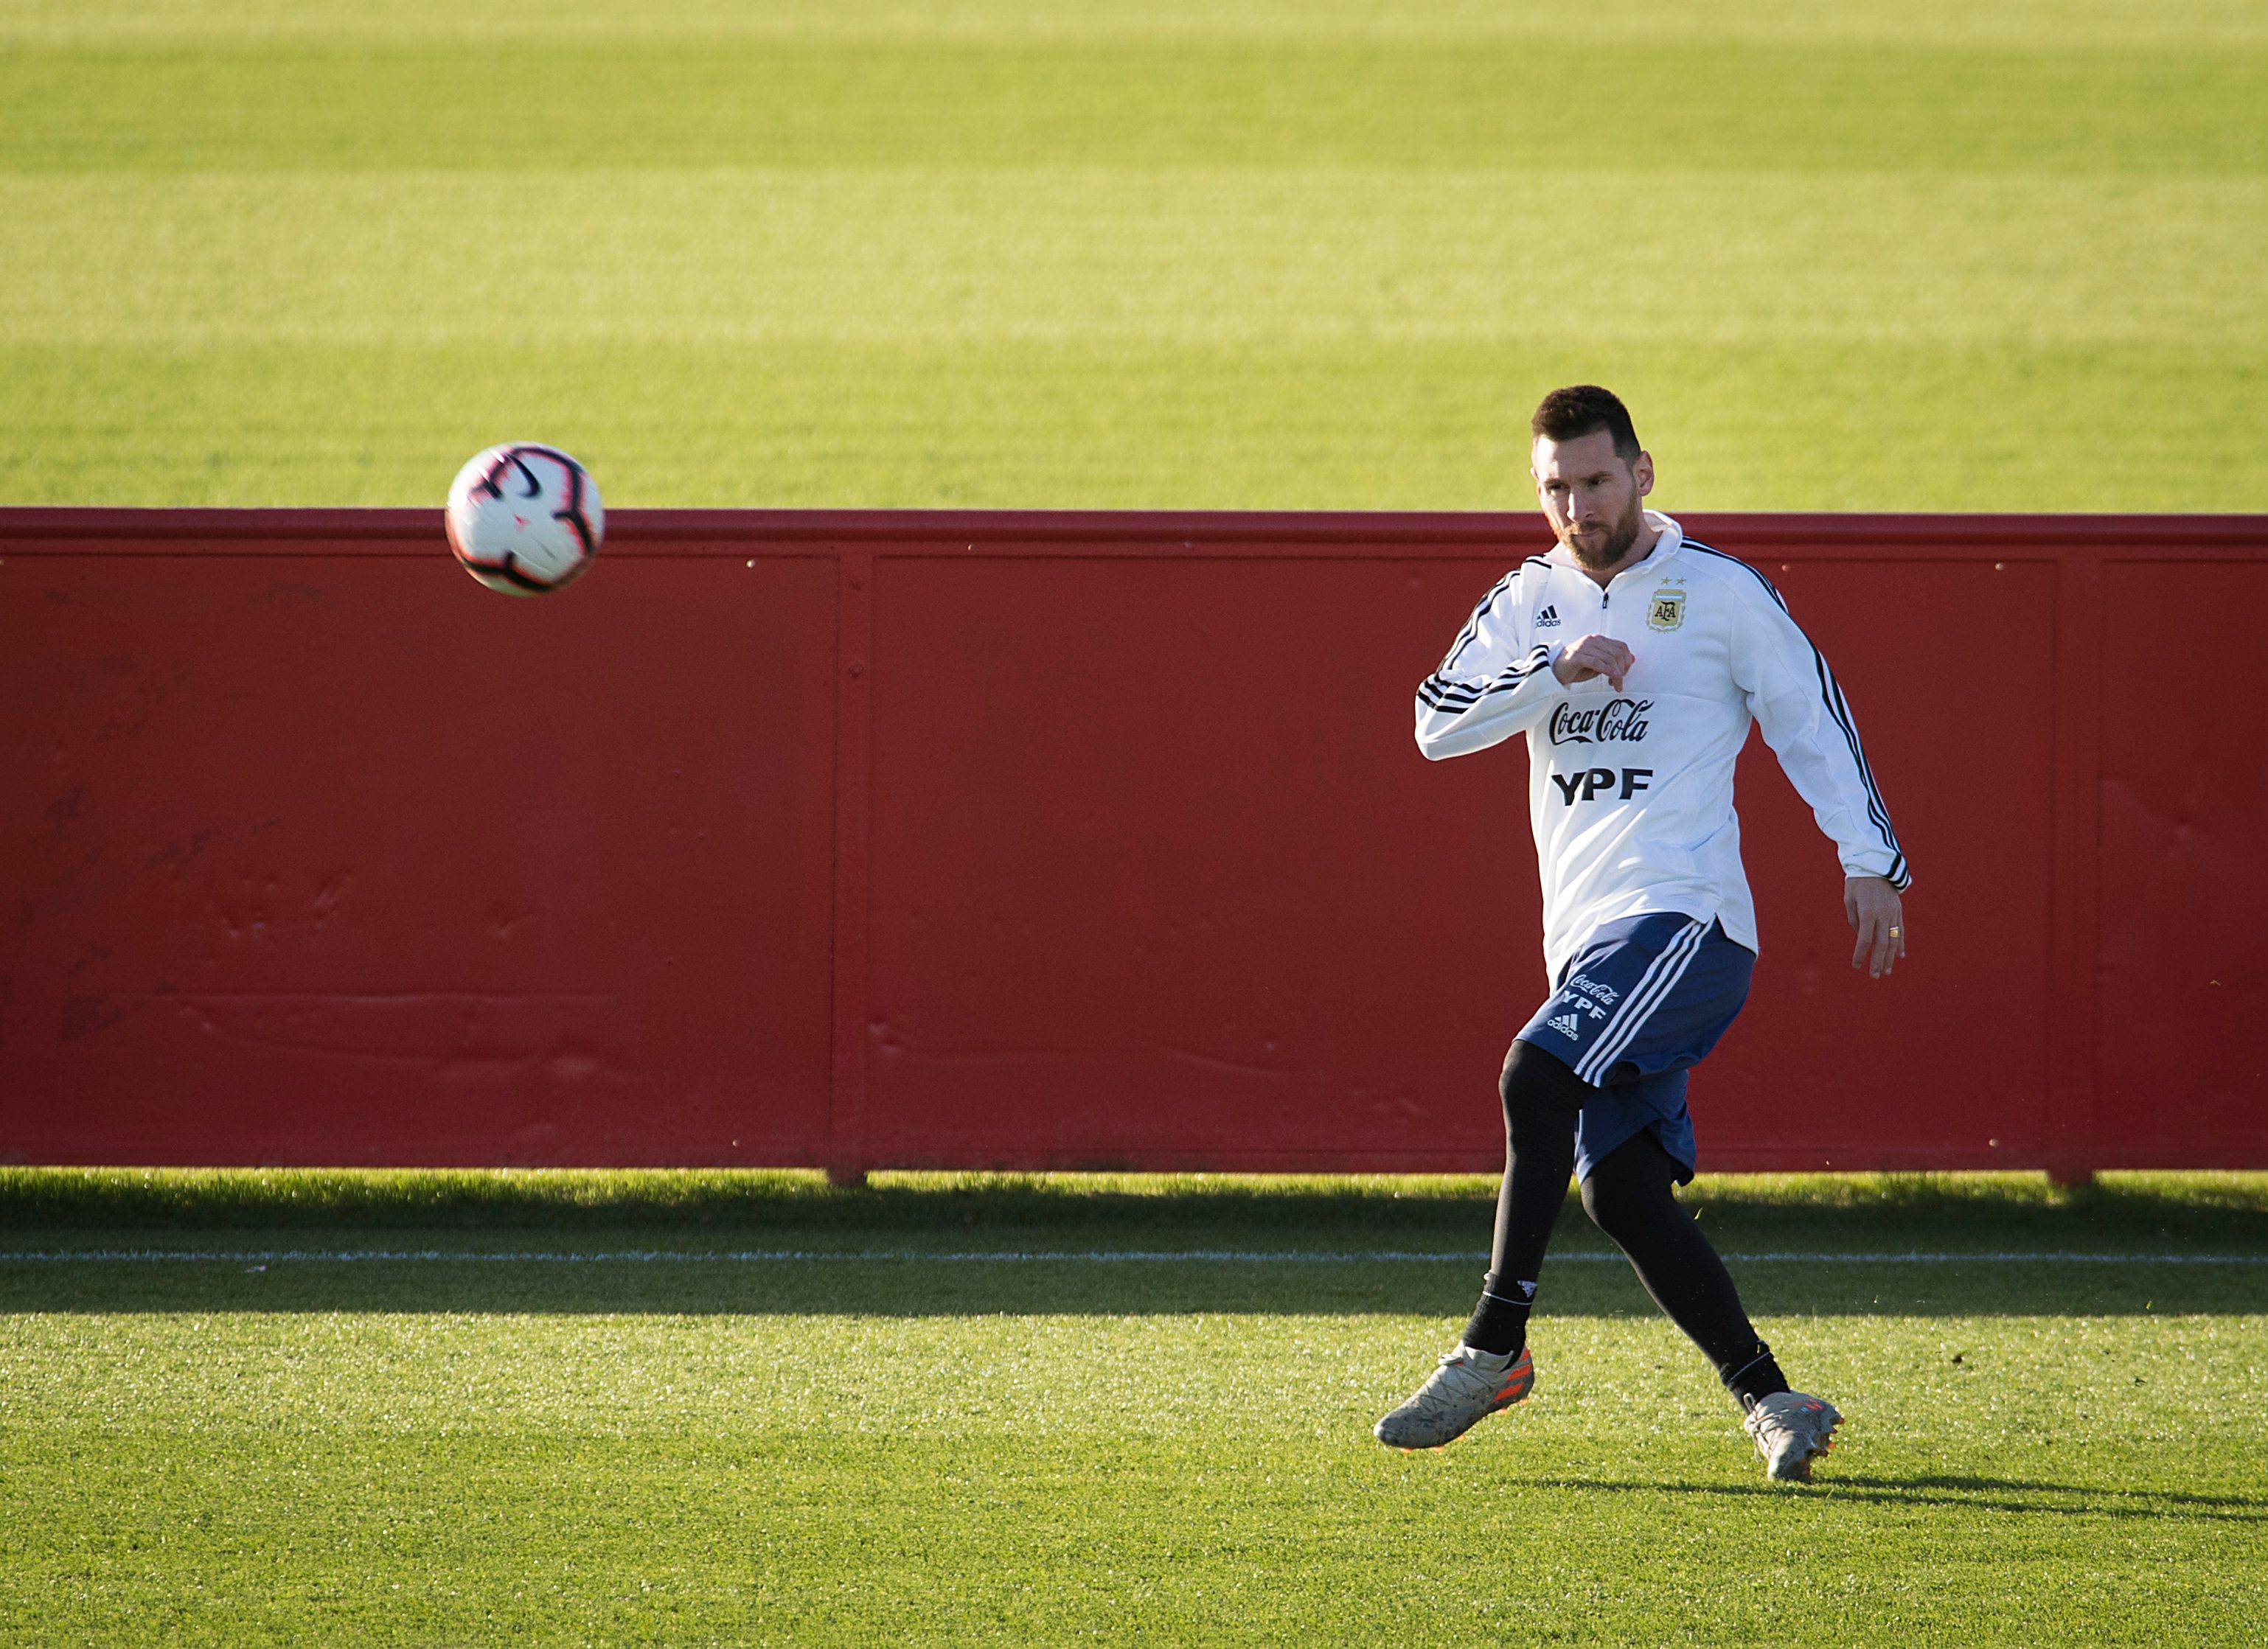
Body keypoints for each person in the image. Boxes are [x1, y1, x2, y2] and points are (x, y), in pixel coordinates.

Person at [1374, 385, 1909, 1481]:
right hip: (1588, 943)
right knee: (1617, 1191)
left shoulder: (1718, 593)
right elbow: (1434, 723)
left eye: (1596, 479)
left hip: (1689, 920)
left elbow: (1813, 719)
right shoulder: (1529, 601)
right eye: (1555, 487)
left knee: (1534, 1071)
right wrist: (1550, 673)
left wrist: (1871, 862)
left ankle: (1494, 1344)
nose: (1577, 504)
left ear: (1644, 473)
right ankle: (1775, 1398)